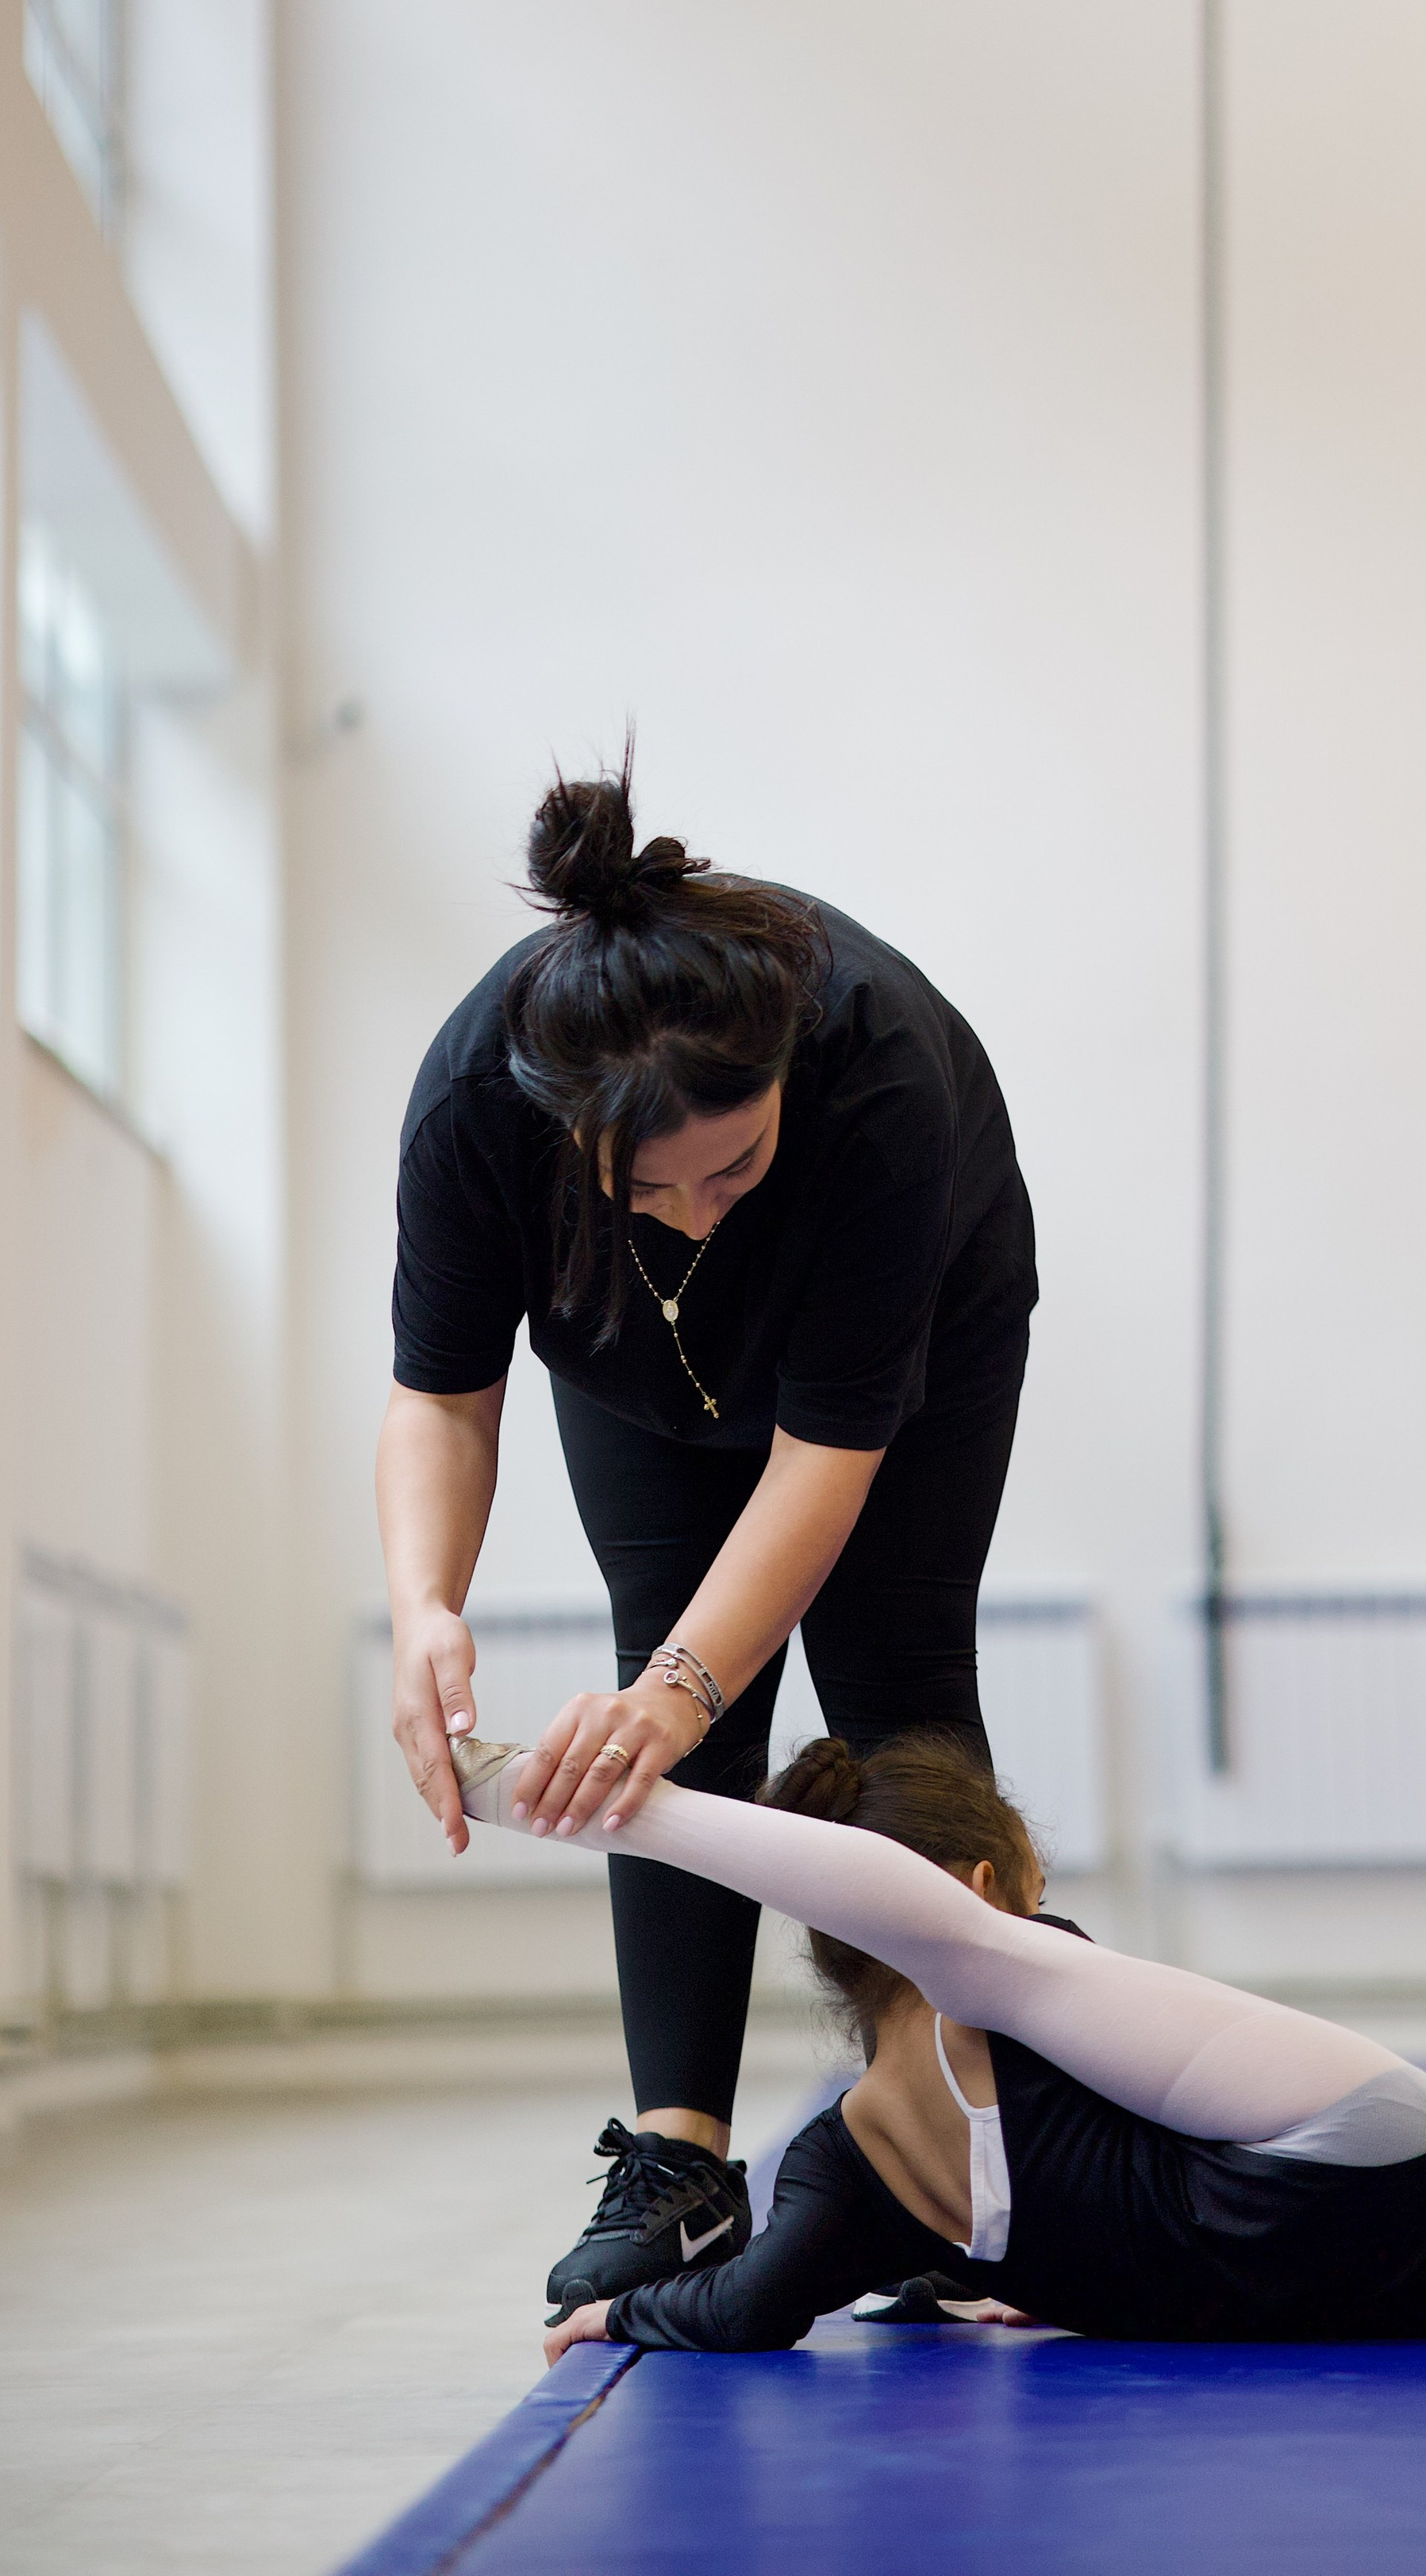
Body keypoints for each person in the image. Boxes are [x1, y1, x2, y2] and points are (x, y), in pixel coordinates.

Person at [379, 759, 1036, 2315]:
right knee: (652, 1681)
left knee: (895, 1680)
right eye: (646, 1183)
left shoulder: (876, 1075)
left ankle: (967, 2153)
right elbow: (442, 1397)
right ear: (566, 1133)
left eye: (731, 1167)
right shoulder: (479, 1101)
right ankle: (679, 2161)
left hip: (918, 1323)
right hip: (628, 1362)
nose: (693, 1211)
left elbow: (825, 1458)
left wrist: (679, 1693)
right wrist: (424, 1610)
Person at [434, 1729, 1426, 2359]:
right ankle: (602, 1807)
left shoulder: (843, 2168)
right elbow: (949, 1937)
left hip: (1390, 2283)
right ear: (984, 1884)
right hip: (1374, 2176)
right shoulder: (1002, 1964)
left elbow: (751, 2308)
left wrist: (631, 2316)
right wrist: (576, 1796)